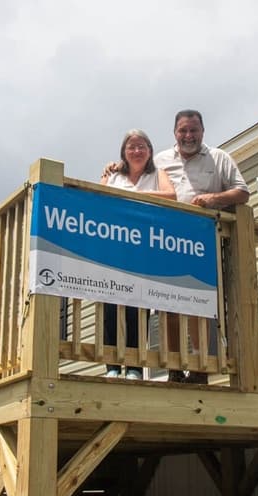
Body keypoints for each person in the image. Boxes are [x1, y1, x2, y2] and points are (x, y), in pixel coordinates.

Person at [155, 109, 250, 384]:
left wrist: (212, 198)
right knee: (167, 305)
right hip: (165, 241)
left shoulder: (218, 157)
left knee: (200, 303)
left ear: (202, 132)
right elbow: (135, 179)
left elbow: (242, 193)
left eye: (193, 130)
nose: (188, 136)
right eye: (183, 130)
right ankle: (173, 369)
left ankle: (200, 368)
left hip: (203, 241)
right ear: (175, 133)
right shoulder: (160, 160)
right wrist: (114, 168)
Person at [99, 129, 176, 379]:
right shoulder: (113, 176)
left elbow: (171, 196)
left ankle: (133, 367)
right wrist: (107, 176)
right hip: (114, 245)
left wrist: (135, 195)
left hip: (144, 248)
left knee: (138, 307)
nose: (136, 151)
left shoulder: (157, 174)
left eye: (142, 146)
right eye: (131, 146)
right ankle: (111, 366)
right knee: (110, 305)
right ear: (124, 151)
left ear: (149, 151)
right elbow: (98, 199)